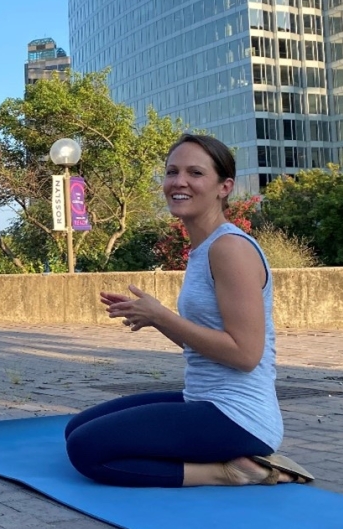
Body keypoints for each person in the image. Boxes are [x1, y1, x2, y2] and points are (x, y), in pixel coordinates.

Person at [65, 134, 313, 488]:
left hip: (239, 417)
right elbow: (203, 347)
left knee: (87, 448)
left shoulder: (229, 249)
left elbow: (245, 355)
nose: (179, 182)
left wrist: (163, 316)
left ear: (223, 187)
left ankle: (228, 471)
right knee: (76, 428)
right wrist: (153, 318)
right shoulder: (203, 249)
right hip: (203, 398)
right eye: (172, 172)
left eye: (195, 173)